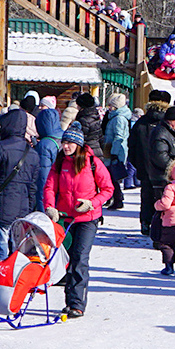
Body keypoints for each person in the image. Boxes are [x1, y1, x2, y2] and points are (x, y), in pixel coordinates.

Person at [42, 127, 113, 317]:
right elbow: (49, 187)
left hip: (87, 218)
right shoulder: (60, 163)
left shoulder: (92, 163)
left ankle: (77, 304)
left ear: (79, 145)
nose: (66, 147)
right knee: (68, 258)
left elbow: (108, 189)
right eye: (64, 143)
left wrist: (92, 203)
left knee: (80, 258)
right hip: (65, 218)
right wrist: (50, 206)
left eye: (70, 143)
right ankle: (69, 300)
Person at [0, 110, 38, 262]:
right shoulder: (32, 153)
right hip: (23, 206)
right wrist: (30, 207)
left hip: (0, 205)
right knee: (17, 249)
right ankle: (15, 279)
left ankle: (0, 280)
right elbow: (33, 186)